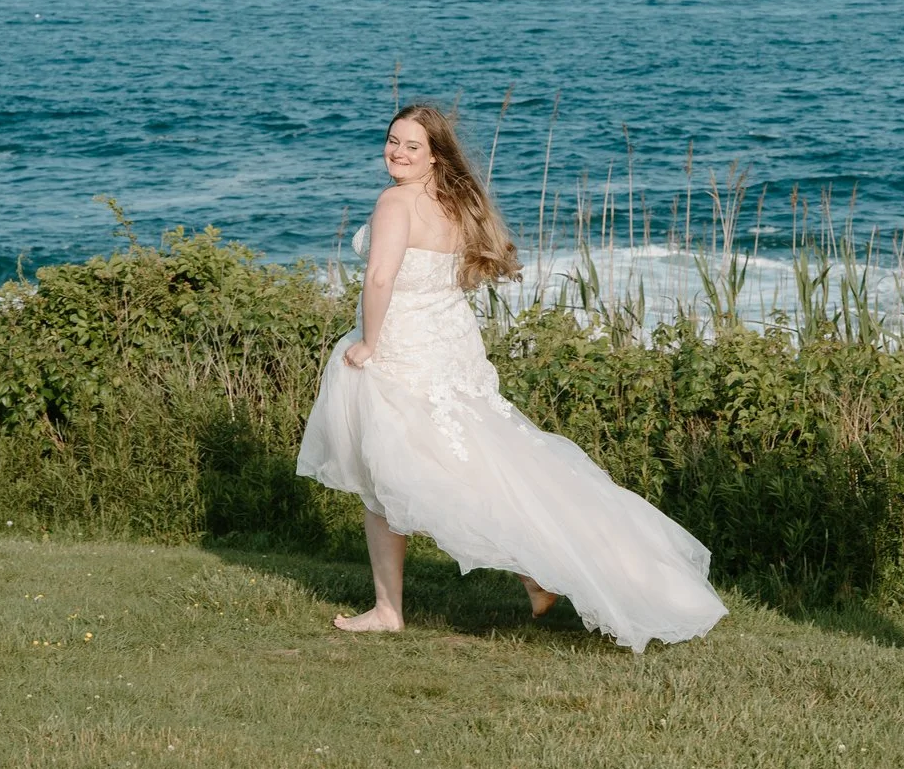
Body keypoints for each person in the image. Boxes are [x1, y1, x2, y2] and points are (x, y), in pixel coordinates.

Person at [296, 104, 728, 652]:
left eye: (410, 146)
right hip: (447, 349)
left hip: (403, 351)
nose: (397, 153)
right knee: (471, 469)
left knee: (404, 480)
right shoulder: (456, 204)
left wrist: (368, 344)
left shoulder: (394, 202)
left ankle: (408, 604)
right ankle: (518, 574)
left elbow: (380, 277)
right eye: (392, 141)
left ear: (434, 155)